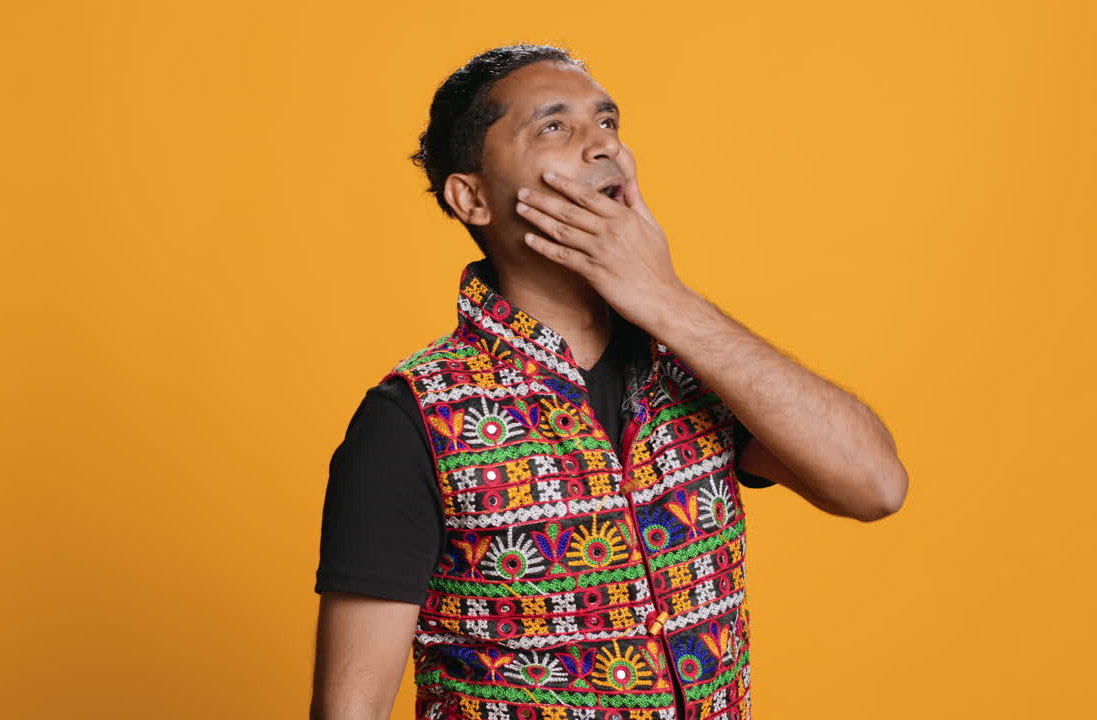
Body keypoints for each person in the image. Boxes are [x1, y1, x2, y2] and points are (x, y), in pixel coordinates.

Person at [311, 44, 908, 720]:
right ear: (472, 196)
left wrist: (669, 301)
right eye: (554, 127)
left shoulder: (698, 370)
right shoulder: (414, 417)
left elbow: (877, 486)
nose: (602, 147)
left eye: (608, 122)